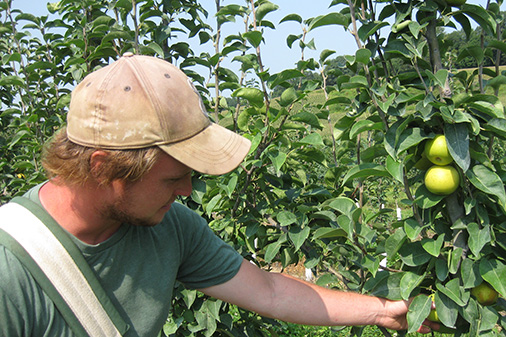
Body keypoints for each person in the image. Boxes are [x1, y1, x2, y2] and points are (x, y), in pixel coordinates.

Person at [0, 53, 438, 336]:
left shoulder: (170, 227)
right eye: (174, 179)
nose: (188, 191)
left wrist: (381, 310)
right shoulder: (11, 270)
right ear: (103, 167)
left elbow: (266, 289)